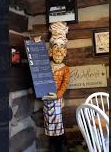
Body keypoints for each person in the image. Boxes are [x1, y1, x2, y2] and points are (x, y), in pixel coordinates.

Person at [42, 21, 70, 152]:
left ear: (65, 51)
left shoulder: (65, 69)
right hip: (47, 100)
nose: (58, 50)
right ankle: (53, 145)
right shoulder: (46, 67)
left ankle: (60, 146)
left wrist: (58, 95)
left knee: (58, 126)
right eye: (55, 46)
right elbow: (40, 79)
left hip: (57, 100)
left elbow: (64, 84)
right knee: (49, 125)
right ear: (50, 51)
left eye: (61, 47)